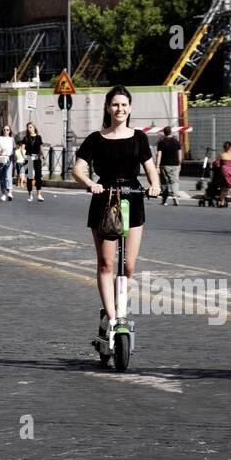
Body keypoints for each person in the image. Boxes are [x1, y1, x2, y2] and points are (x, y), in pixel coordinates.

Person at [71, 86, 161, 344]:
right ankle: (112, 318)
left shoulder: (139, 138)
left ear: (130, 108)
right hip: (105, 199)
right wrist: (90, 184)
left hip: (132, 198)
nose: (119, 109)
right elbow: (78, 169)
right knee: (107, 264)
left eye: (124, 105)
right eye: (115, 105)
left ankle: (120, 309)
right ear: (107, 108)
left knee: (129, 266)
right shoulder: (95, 138)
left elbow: (150, 168)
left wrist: (154, 185)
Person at [155, 126, 182, 205]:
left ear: (164, 132)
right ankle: (175, 196)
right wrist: (179, 163)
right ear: (171, 132)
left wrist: (157, 166)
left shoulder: (161, 142)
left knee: (164, 182)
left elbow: (159, 155)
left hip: (164, 165)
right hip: (175, 165)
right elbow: (179, 153)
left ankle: (164, 200)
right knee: (174, 181)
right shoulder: (176, 142)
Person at [21, 122, 46, 202]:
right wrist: (23, 155)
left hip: (37, 158)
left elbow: (41, 147)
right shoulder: (26, 138)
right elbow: (22, 148)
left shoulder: (39, 137)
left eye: (30, 127)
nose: (29, 129)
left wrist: (44, 157)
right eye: (28, 127)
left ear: (34, 128)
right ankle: (30, 195)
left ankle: (39, 194)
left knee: (38, 176)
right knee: (30, 177)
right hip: (29, 158)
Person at [0, 125, 16, 201]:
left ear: (10, 131)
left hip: (9, 158)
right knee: (2, 177)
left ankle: (10, 192)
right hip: (1, 158)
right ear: (2, 130)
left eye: (7, 130)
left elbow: (14, 149)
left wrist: (15, 158)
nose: (6, 131)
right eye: (4, 129)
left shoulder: (12, 139)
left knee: (8, 176)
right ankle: (3, 193)